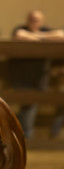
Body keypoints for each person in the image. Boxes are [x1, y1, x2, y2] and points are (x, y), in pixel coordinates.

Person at [8, 10, 64, 139]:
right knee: (27, 106)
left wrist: (37, 36)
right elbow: (20, 35)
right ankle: (25, 136)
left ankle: (24, 136)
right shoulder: (20, 28)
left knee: (29, 107)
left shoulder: (45, 29)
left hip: (40, 78)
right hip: (20, 77)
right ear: (27, 20)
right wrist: (44, 38)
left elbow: (61, 35)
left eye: (37, 19)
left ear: (42, 21)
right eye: (32, 19)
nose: (34, 22)